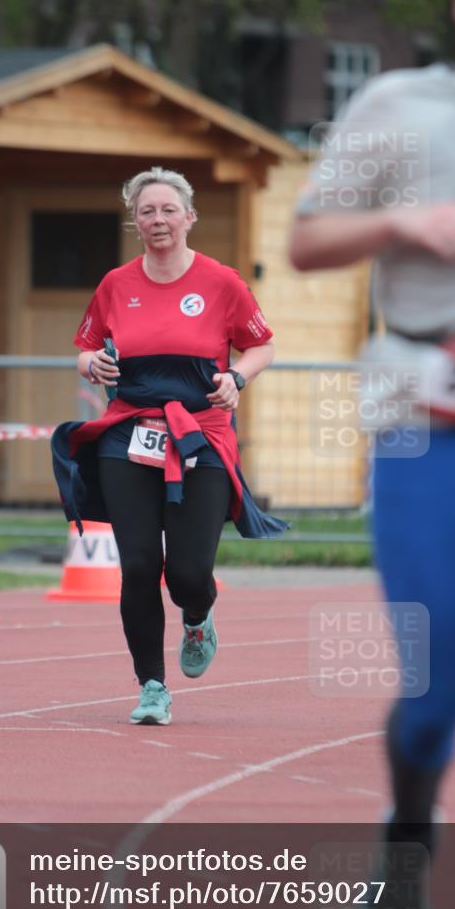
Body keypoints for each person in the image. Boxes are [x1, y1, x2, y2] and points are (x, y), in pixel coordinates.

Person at [288, 0, 455, 909]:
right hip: (430, 432)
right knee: (436, 695)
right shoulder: (399, 106)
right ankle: (409, 827)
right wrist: (401, 220)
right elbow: (306, 241)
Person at [52, 166, 287, 726]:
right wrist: (94, 363)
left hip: (200, 434)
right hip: (128, 432)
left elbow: (262, 345)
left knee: (185, 573)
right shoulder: (115, 284)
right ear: (135, 221)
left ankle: (198, 615)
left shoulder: (222, 282)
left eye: (167, 210)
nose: (157, 220)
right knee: (136, 565)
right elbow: (84, 349)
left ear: (189, 217)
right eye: (146, 211)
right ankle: (151, 686)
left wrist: (238, 378)